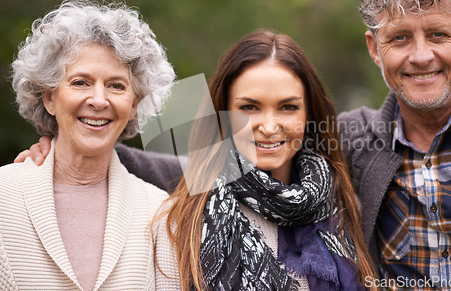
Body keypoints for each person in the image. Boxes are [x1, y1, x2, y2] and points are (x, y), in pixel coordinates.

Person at [16, 29, 377, 290]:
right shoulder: (185, 211)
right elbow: (116, 154)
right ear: (221, 114)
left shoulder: (345, 204)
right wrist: (58, 143)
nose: (269, 126)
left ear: (310, 113)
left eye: (288, 107)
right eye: (248, 108)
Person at [338, 0, 451, 289]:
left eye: (438, 34)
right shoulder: (353, 138)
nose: (421, 56)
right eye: (399, 38)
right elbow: (221, 166)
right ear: (374, 48)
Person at [1, 0, 176, 290]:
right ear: (49, 97)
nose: (98, 100)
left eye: (116, 86)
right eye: (80, 82)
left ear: (134, 104)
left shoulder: (161, 213)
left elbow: (226, 176)